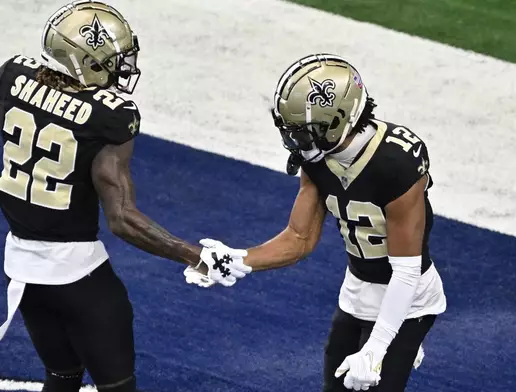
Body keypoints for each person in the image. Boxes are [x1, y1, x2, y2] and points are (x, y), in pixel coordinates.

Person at [0, 2, 251, 392]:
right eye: (110, 60)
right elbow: (122, 218)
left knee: (62, 376)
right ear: (82, 61)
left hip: (22, 271)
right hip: (77, 276)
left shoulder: (14, 79)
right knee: (117, 387)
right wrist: (197, 255)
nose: (121, 68)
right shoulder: (108, 115)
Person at [185, 54, 446, 391]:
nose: (295, 140)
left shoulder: (395, 161)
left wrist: (377, 349)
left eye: (303, 131)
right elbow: (299, 237)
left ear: (337, 121)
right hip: (357, 288)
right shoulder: (318, 158)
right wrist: (240, 259)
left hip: (410, 297)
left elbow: (406, 270)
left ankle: (402, 339)